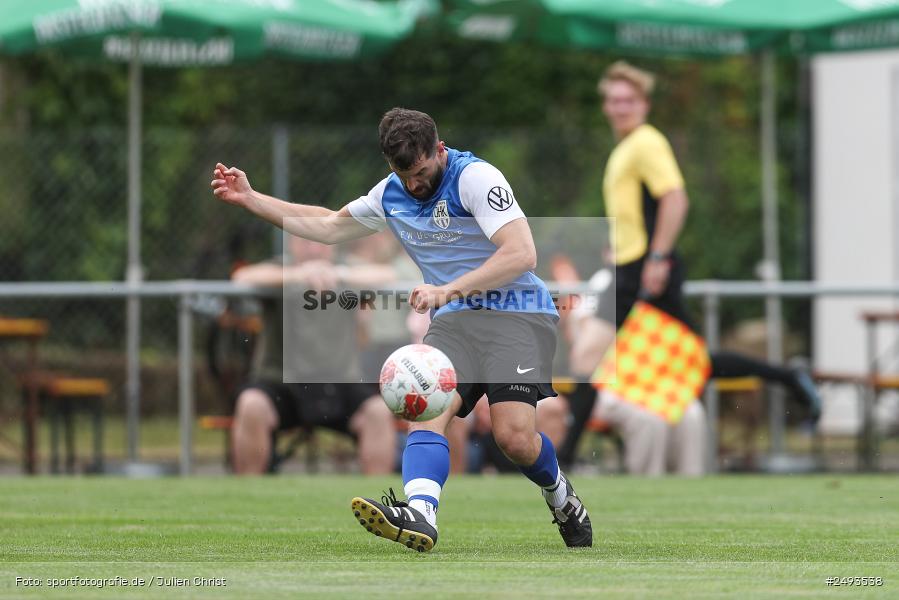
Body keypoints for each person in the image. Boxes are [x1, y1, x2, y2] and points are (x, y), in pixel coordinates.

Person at [211, 108, 591, 551]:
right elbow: (330, 226)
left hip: (517, 315)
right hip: (455, 322)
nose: (413, 184)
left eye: (420, 172)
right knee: (426, 405)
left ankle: (562, 497)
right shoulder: (390, 194)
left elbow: (522, 254)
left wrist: (447, 290)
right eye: (402, 174)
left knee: (514, 438)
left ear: (439, 149)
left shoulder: (476, 179)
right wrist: (252, 198)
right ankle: (421, 513)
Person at [555, 62, 820, 475]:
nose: (620, 107)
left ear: (644, 103)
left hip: (645, 270)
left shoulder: (646, 142)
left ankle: (565, 461)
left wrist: (657, 258)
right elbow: (637, 210)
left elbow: (675, 199)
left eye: (628, 100)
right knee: (605, 358)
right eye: (613, 100)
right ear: (605, 105)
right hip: (629, 267)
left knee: (679, 359)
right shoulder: (626, 147)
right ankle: (787, 377)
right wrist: (621, 245)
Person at [230, 235, 396, 475]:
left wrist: (338, 275)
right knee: (251, 404)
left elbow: (387, 275)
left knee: (378, 412)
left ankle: (378, 502)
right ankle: (247, 499)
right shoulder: (281, 268)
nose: (313, 249)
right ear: (292, 245)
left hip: (339, 383)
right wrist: (298, 275)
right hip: (280, 383)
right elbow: (241, 277)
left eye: (320, 241)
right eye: (305, 241)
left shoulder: (345, 269)